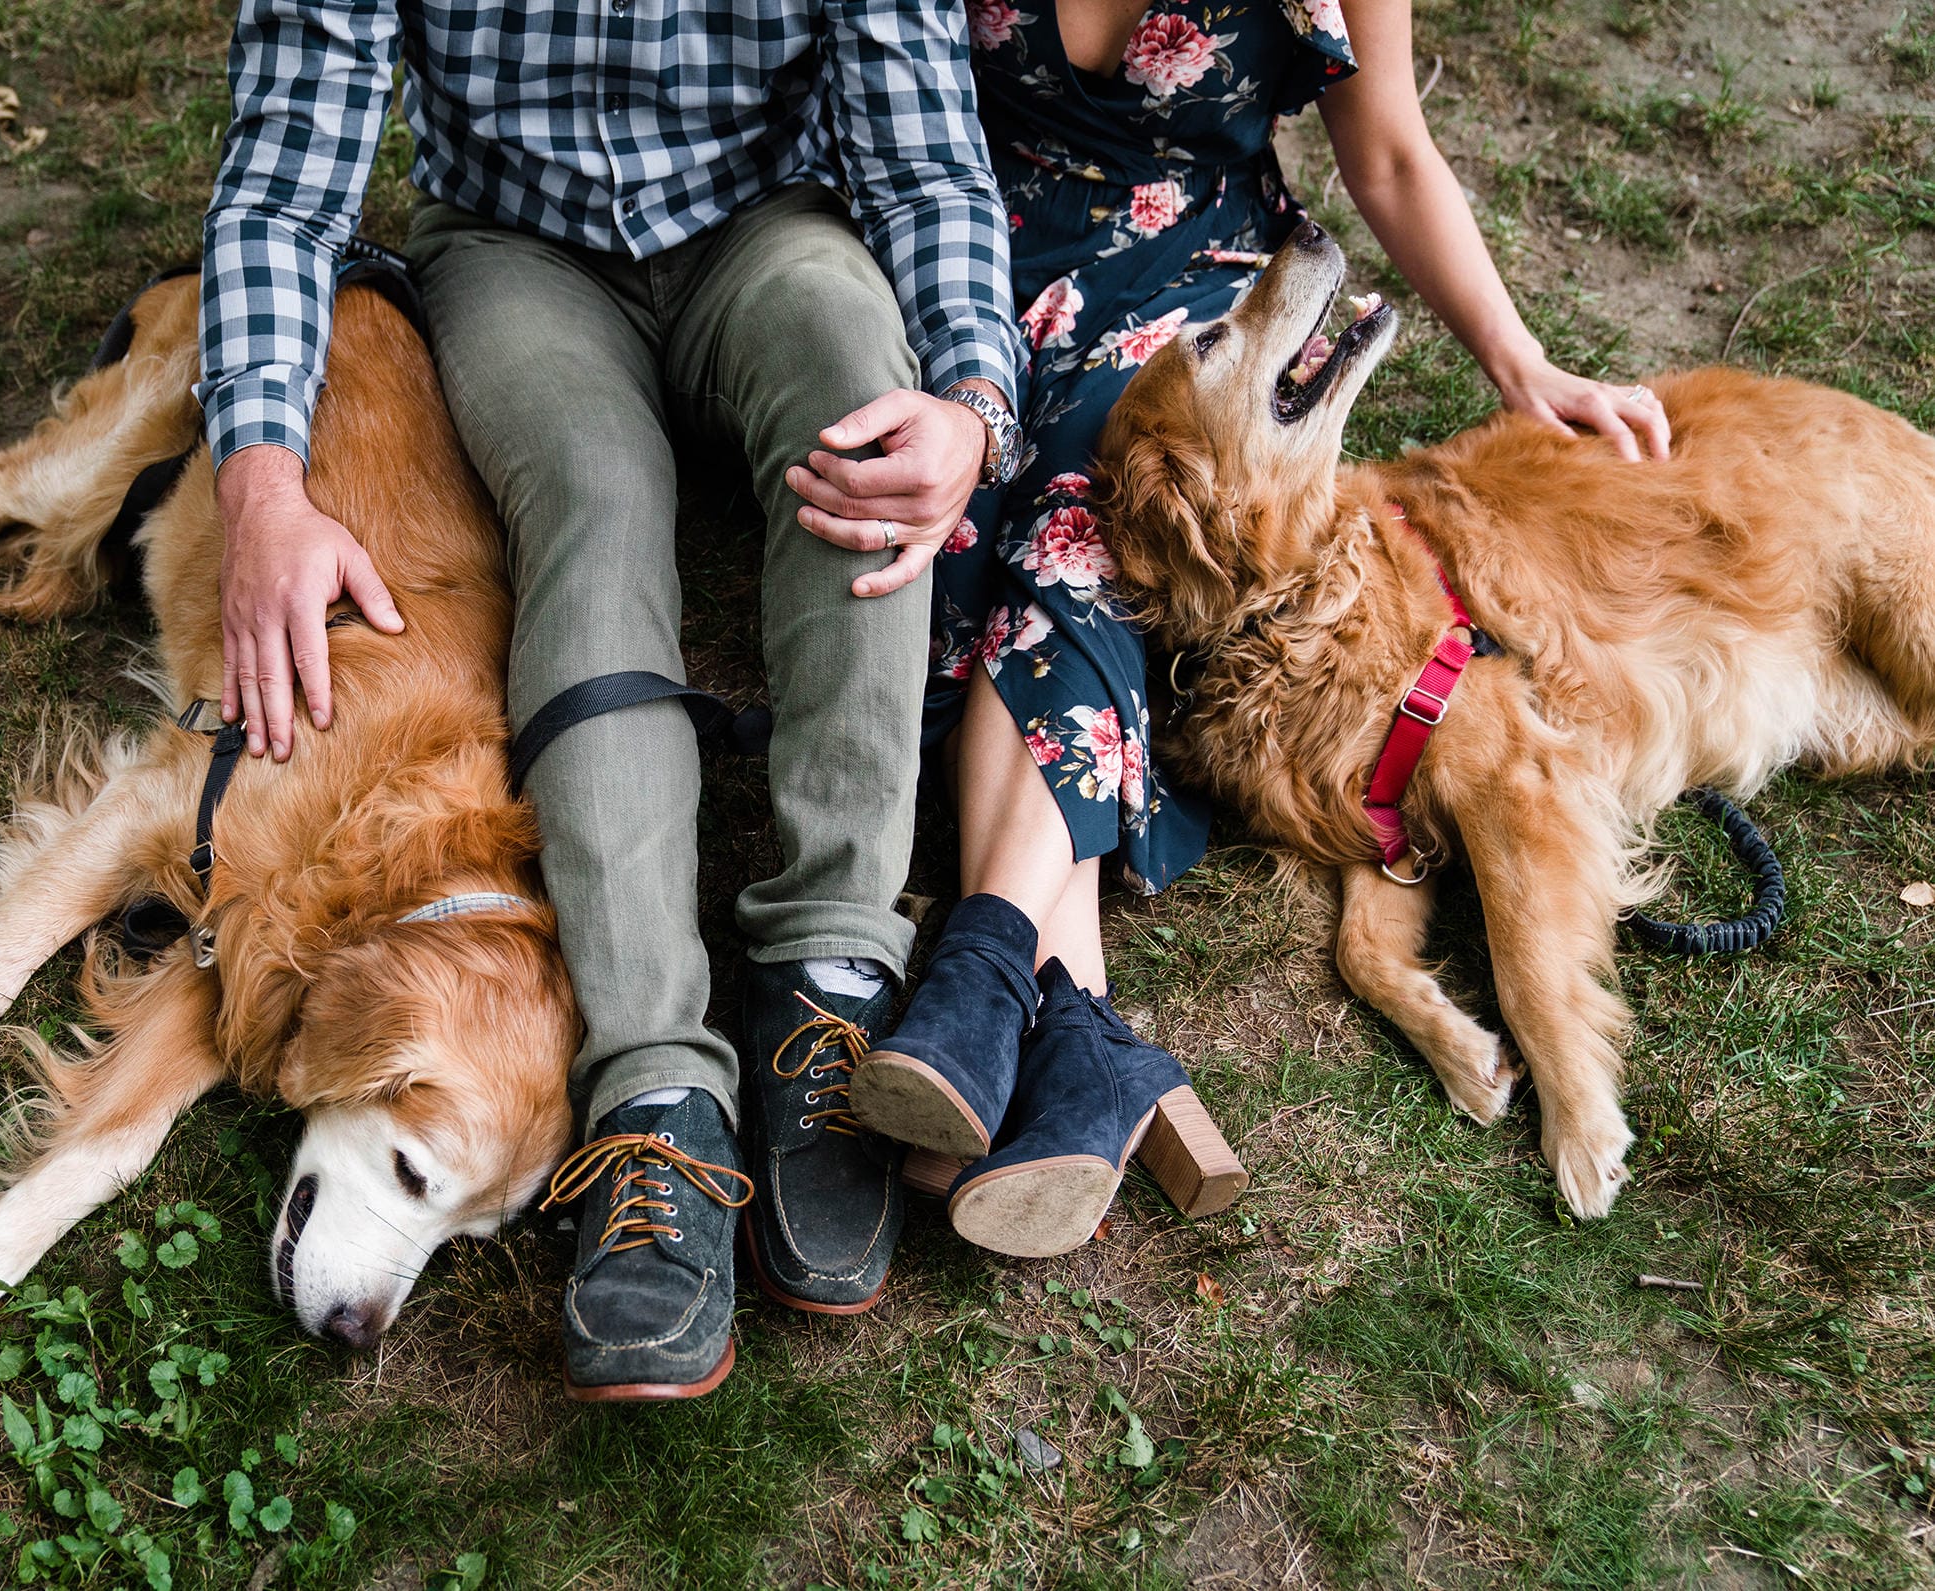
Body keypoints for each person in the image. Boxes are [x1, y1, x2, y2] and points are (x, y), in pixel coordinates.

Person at [198, 0, 1033, 1400]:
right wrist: (261, 481)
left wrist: (966, 401)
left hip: (765, 226)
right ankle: (652, 1082)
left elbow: (928, 167)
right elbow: (283, 185)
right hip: (518, 253)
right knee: (594, 493)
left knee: (858, 384)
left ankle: (826, 972)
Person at [819, 0, 1675, 1256]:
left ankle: (987, 959)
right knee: (946, 554)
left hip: (1187, 295)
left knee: (1081, 514)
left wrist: (1518, 360)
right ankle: (1075, 1028)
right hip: (955, 253)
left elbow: (1383, 150)